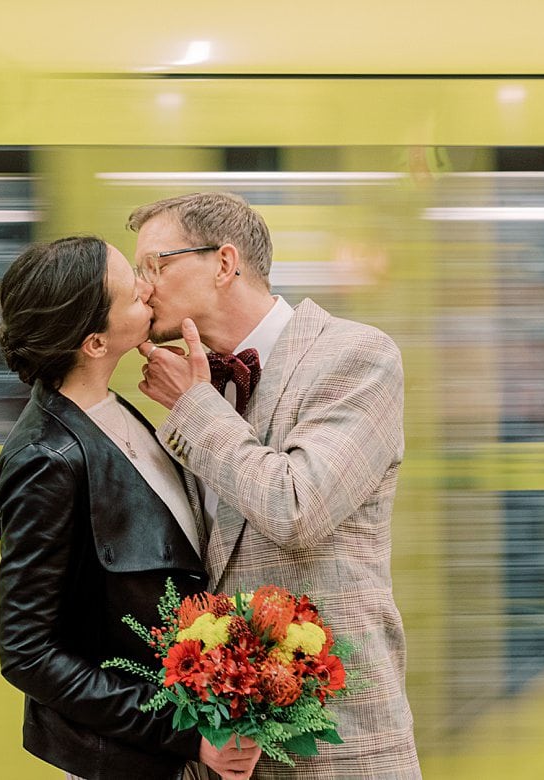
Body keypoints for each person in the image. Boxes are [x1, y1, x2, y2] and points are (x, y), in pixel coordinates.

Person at [130, 193, 422, 779]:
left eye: (155, 266)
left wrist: (194, 407)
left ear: (223, 263)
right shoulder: (197, 382)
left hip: (340, 743)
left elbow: (297, 507)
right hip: (225, 748)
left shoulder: (357, 357)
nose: (142, 289)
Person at [0, 235, 263, 780]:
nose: (149, 287)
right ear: (95, 343)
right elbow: (26, 652)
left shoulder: (111, 410)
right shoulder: (47, 458)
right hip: (119, 763)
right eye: (131, 289)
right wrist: (187, 730)